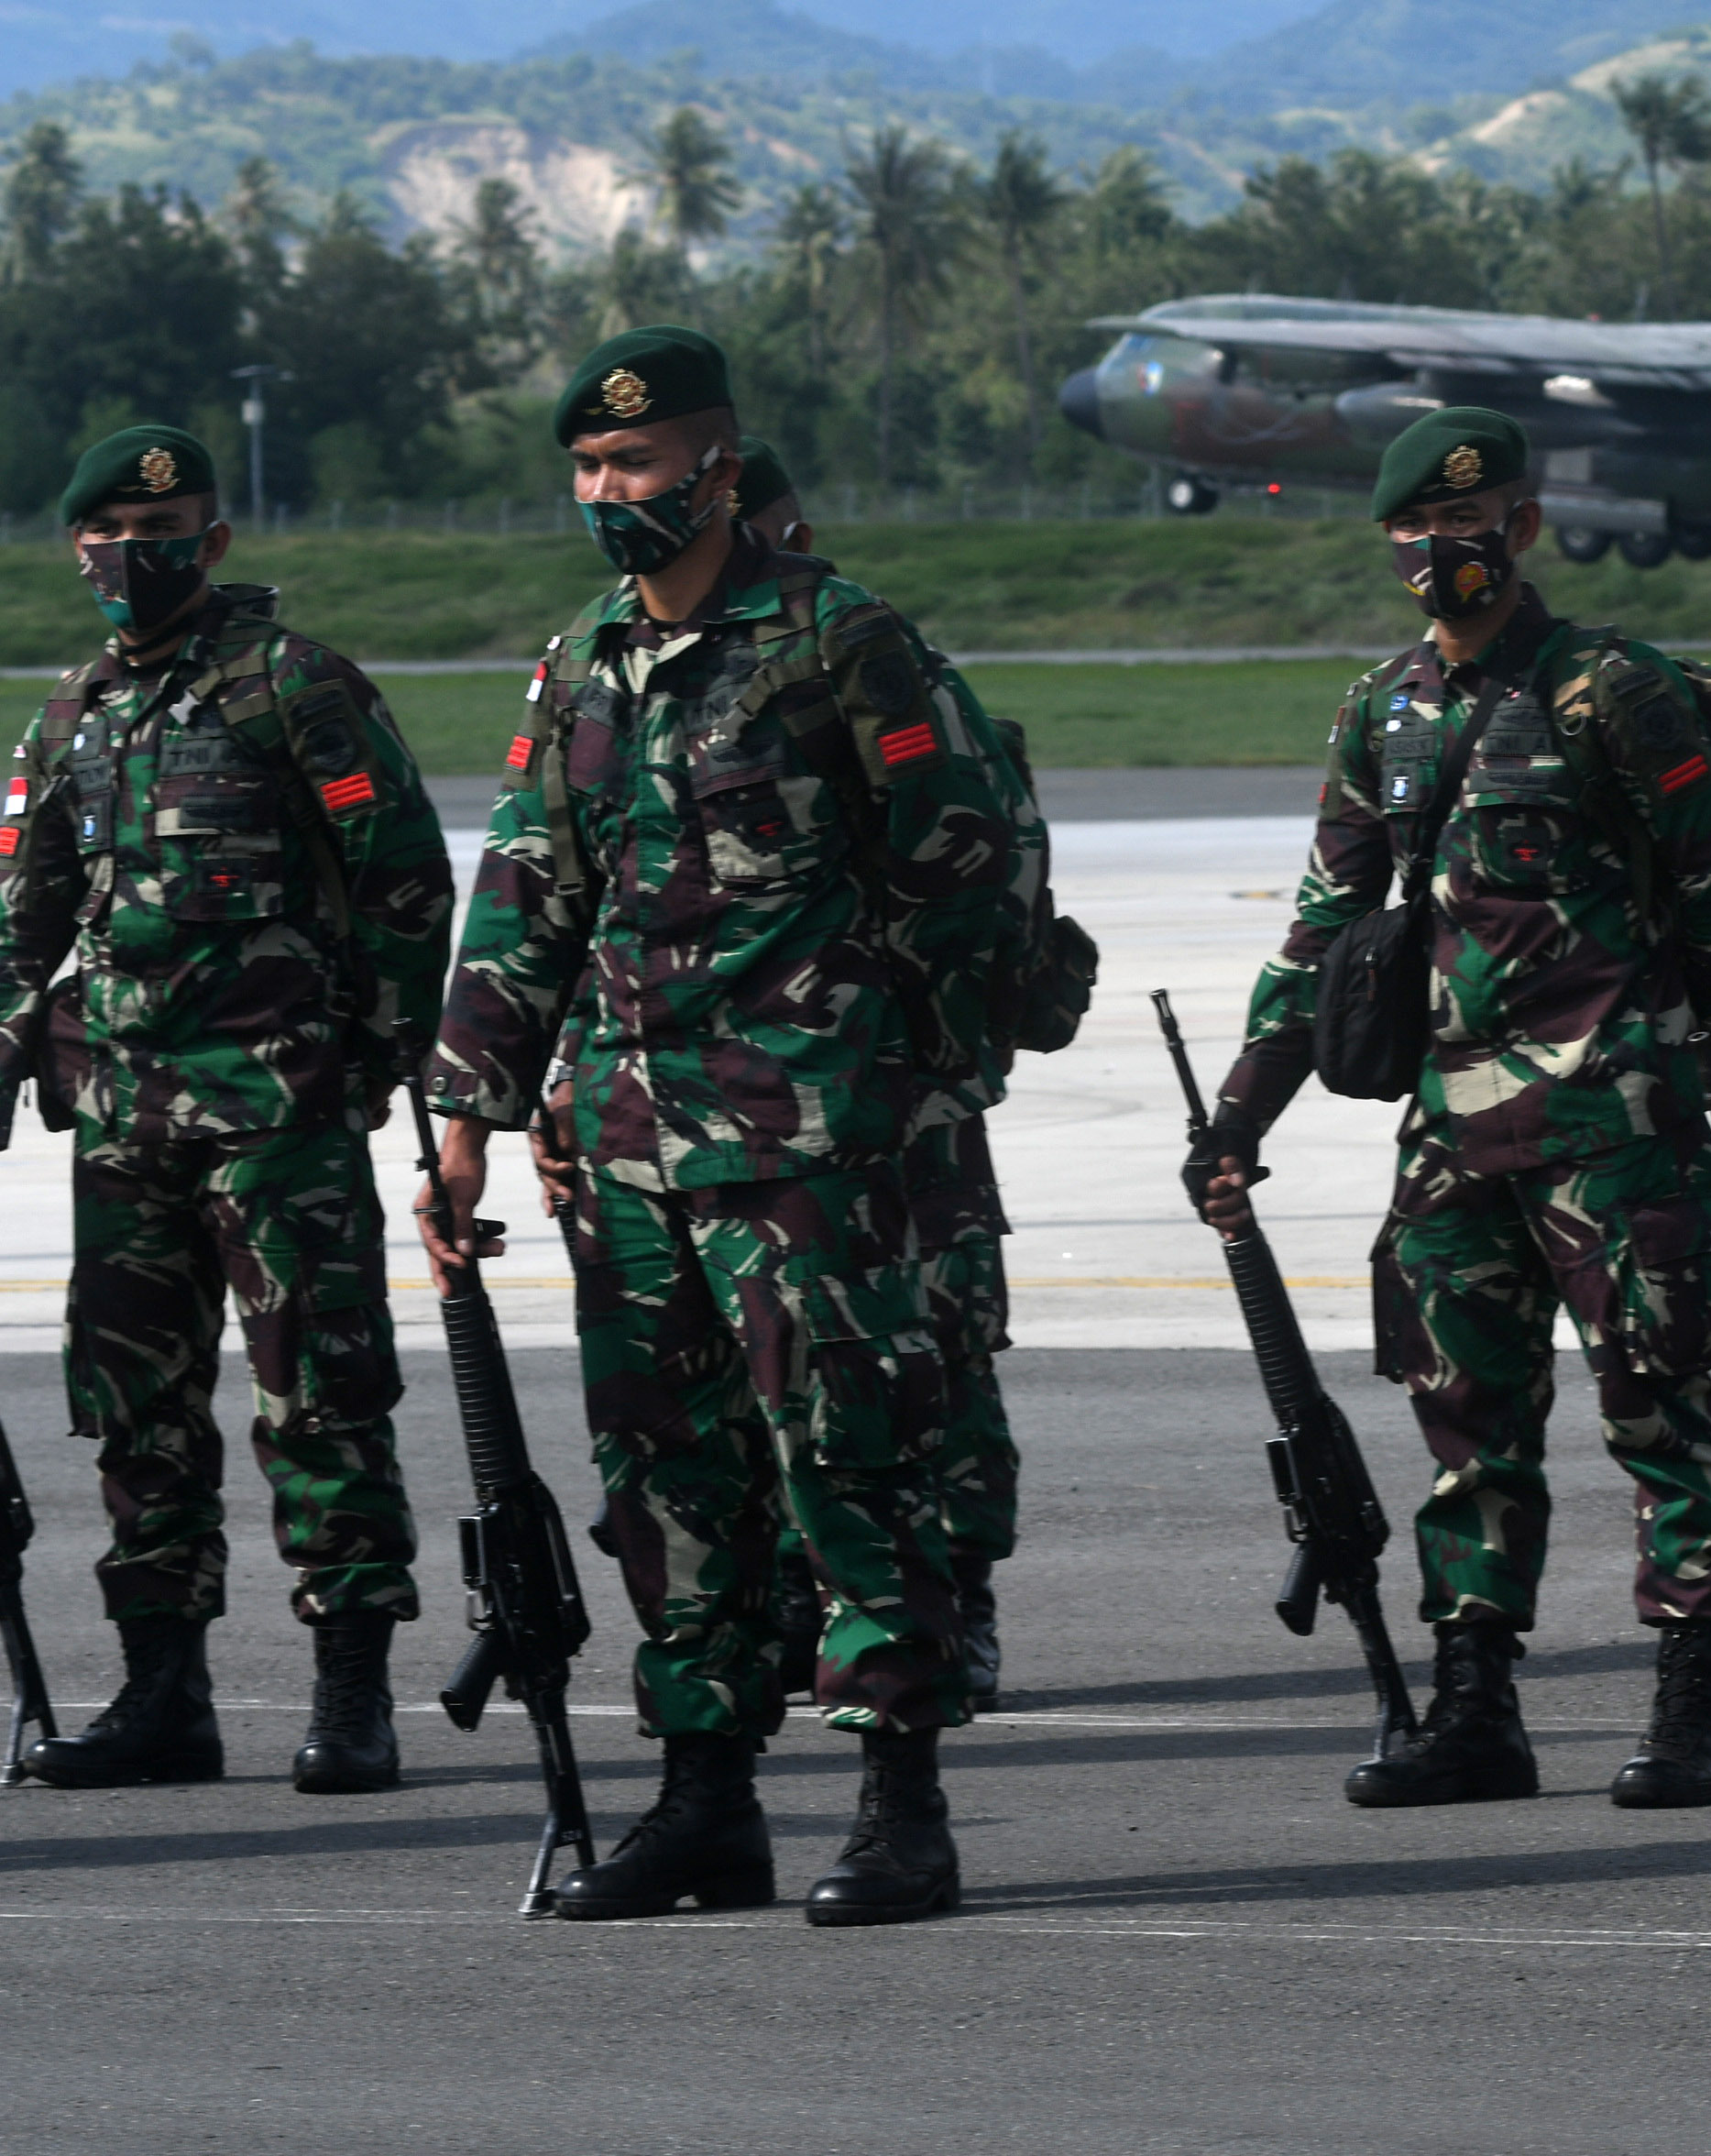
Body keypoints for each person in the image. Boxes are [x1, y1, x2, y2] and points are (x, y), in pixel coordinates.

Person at [421, 329, 1029, 1927]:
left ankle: (902, 1804)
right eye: (589, 469)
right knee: (664, 1479)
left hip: (810, 1146)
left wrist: (908, 1077)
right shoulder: (582, 664)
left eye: (632, 464)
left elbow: (974, 868)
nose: (606, 492)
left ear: (720, 471)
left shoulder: (842, 645)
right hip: (630, 1147)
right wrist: (471, 1107)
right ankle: (706, 1803)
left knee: (847, 1464)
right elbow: (529, 892)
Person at [1190, 408, 1711, 1814]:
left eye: (1469, 527)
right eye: (1416, 534)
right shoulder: (1382, 711)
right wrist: (1239, 1117)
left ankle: (1693, 1704)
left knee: (1658, 1405)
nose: (1442, 555)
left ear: (1520, 527)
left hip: (1614, 1116)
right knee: (1465, 1423)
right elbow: (1327, 925)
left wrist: (1703, 1074)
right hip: (1451, 1130)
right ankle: (1474, 1703)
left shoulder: (1611, 692)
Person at [0, 426, 452, 1793]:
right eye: (106, 541)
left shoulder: (294, 690)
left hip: (278, 1116)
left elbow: (405, 884)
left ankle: (352, 1694)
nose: (131, 561)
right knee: (138, 1411)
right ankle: (162, 1696)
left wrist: (371, 1061)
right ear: (76, 547)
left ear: (213, 540)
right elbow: (27, 916)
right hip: (125, 1122)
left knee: (319, 1398)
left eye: (162, 534)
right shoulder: (73, 715)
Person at [730, 440, 1031, 1709]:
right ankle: (807, 1584)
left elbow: (991, 870)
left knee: (939, 1347)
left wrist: (925, 1029)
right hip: (760, 1102)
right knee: (777, 1352)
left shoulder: (887, 670)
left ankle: (957, 1596)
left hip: (906, 1086)